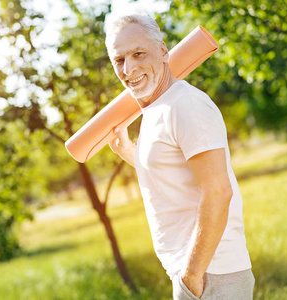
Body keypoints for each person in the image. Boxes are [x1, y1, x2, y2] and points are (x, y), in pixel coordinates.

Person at [105, 14, 254, 300]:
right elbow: (174, 173)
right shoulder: (157, 108)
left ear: (163, 50)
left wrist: (192, 276)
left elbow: (219, 191)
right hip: (195, 273)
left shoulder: (185, 105)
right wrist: (130, 153)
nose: (129, 68)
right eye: (119, 60)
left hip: (212, 274)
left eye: (138, 53)